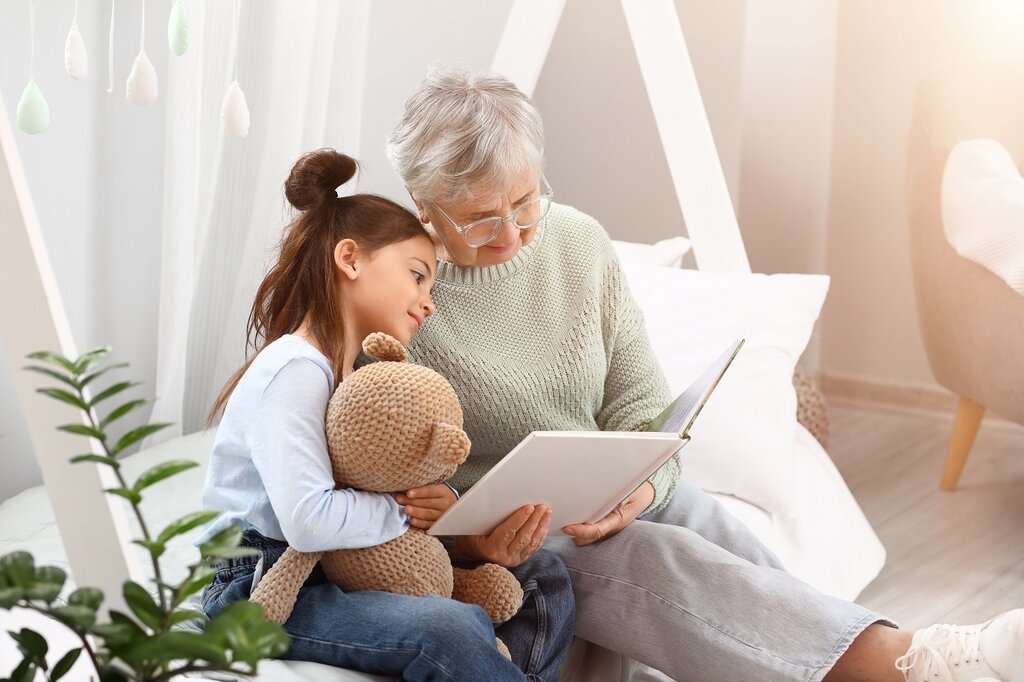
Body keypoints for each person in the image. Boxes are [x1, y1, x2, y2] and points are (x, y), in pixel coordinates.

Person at [385, 63, 1024, 682]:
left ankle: (903, 659)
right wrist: (471, 536)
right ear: (421, 204)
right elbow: (372, 471)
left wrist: (644, 488)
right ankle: (914, 664)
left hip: (591, 501)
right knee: (651, 554)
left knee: (701, 518)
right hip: (489, 544)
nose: (512, 236)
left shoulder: (577, 243)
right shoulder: (394, 290)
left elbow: (642, 404)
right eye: (479, 219)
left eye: (525, 203)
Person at [194, 149, 575, 682]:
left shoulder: (352, 377)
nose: (428, 301)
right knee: (450, 628)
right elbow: (307, 520)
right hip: (256, 584)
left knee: (542, 578)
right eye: (417, 276)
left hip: (332, 566)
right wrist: (403, 510)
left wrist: (439, 513)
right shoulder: (295, 368)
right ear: (350, 259)